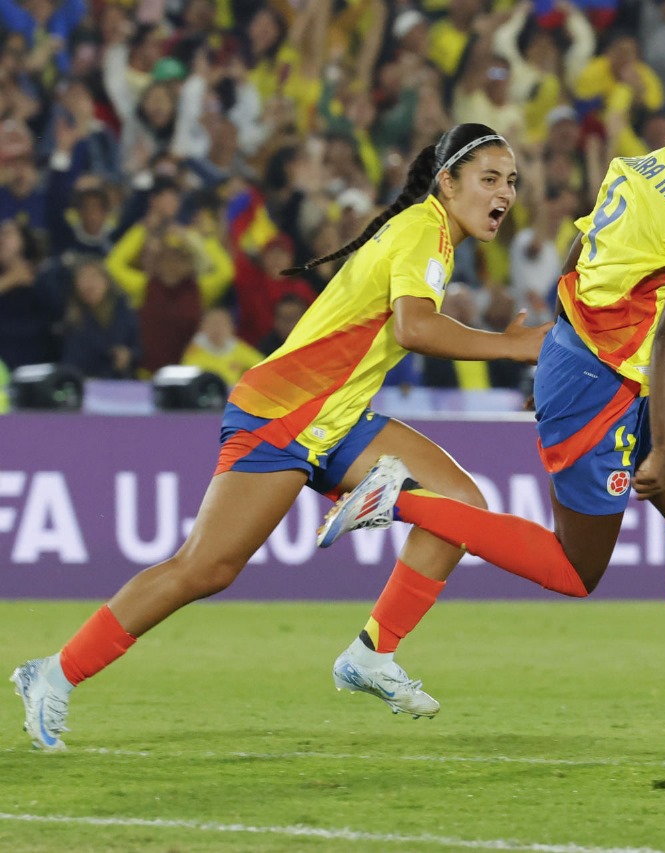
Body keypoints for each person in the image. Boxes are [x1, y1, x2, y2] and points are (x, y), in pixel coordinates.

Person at [11, 123, 549, 750]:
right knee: (205, 568)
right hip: (285, 413)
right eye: (489, 178)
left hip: (335, 417)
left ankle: (372, 654)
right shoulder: (423, 230)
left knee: (461, 504)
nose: (504, 192)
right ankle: (53, 672)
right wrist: (510, 346)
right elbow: (414, 329)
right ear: (447, 182)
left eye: (510, 181)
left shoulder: (432, 236)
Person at [317, 64, 665, 758]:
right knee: (575, 570)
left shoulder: (651, 164)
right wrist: (659, 441)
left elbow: (582, 246)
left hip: (597, 363)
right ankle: (402, 500)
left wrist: (570, 327)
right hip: (600, 383)